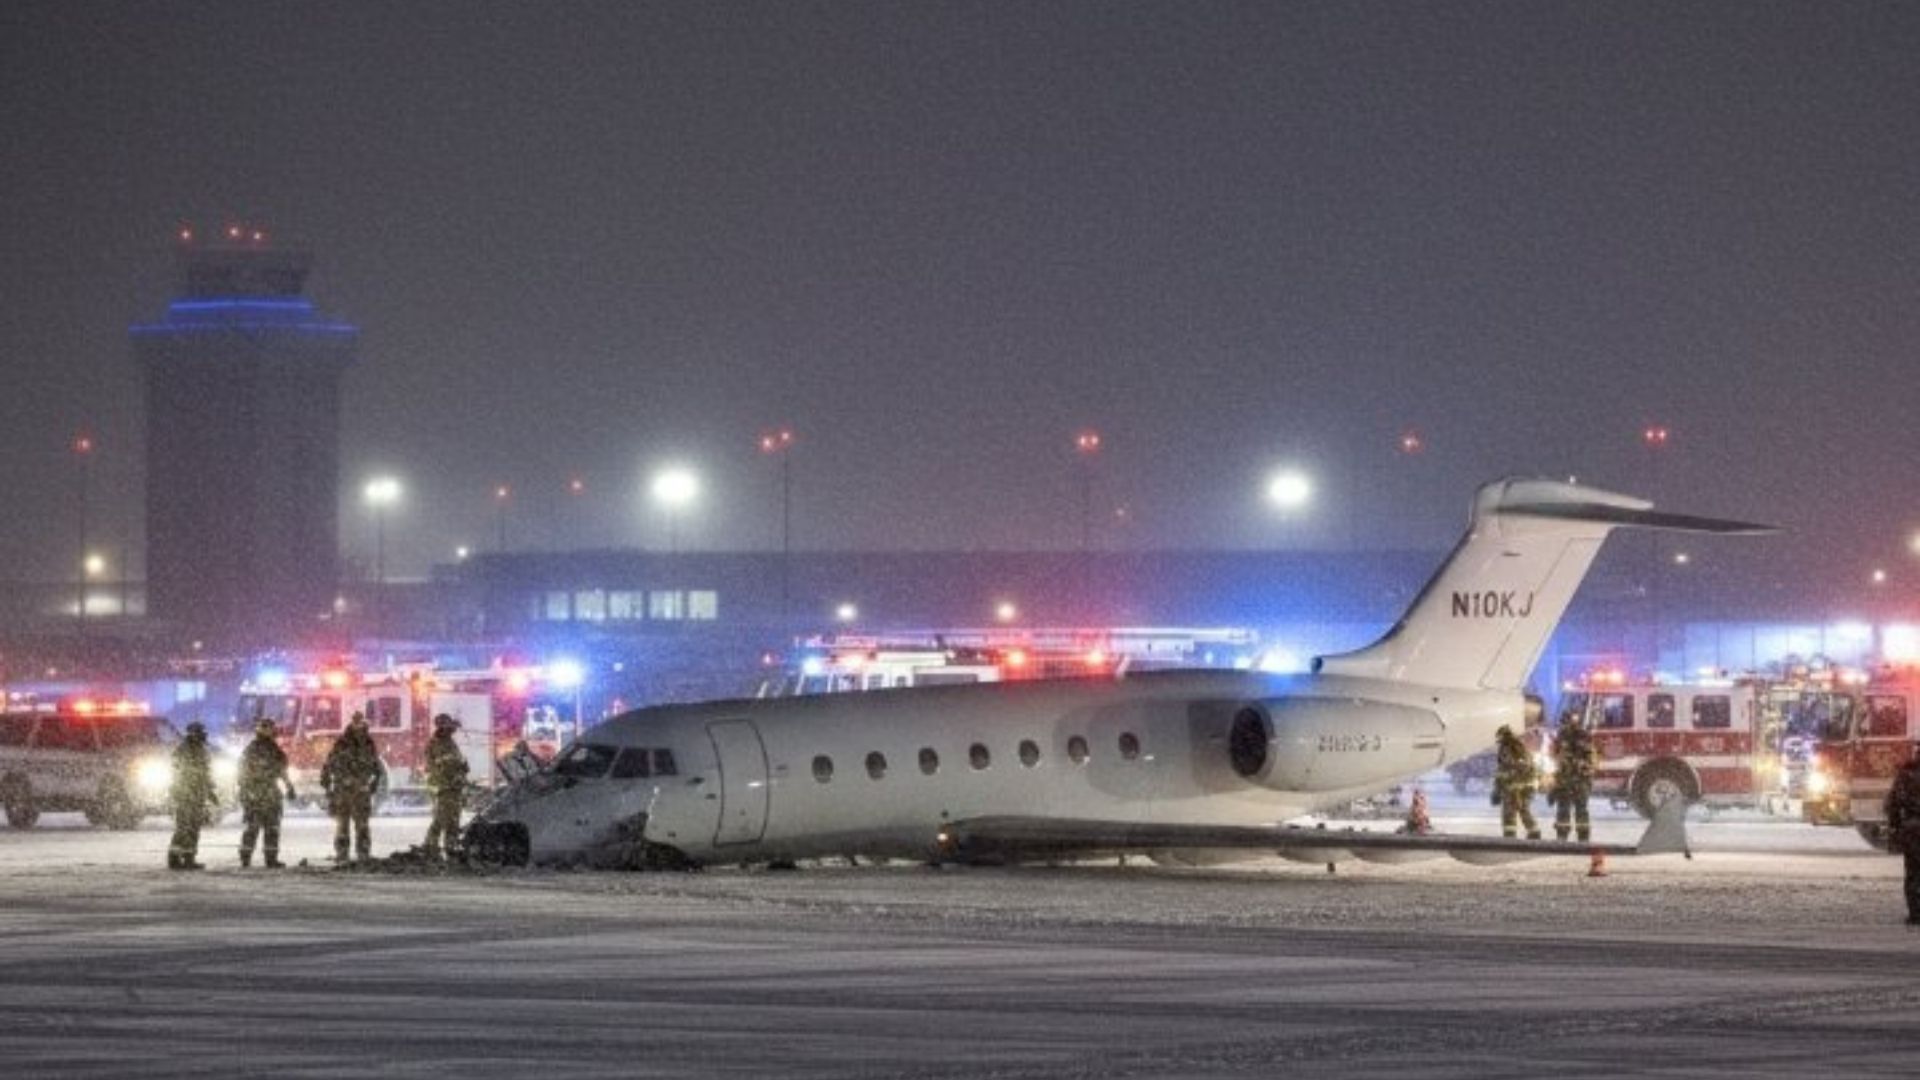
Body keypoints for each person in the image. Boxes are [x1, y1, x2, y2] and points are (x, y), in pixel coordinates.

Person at [320, 713, 386, 865]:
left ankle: (363, 854)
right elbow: (329, 764)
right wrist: (327, 784)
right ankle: (342, 855)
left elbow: (376, 765)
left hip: (361, 790)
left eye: (360, 723)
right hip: (343, 790)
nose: (358, 726)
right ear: (352, 724)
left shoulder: (368, 743)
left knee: (362, 824)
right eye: (356, 723)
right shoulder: (342, 742)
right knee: (343, 824)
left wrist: (375, 783)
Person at [238, 718, 296, 868]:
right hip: (257, 792)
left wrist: (289, 786)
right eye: (265, 728)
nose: (268, 731)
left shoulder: (274, 749)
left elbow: (282, 770)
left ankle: (270, 859)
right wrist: (245, 789)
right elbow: (242, 773)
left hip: (269, 792)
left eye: (269, 728)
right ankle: (246, 858)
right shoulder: (253, 749)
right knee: (253, 828)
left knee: (271, 828)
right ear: (259, 730)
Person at [167, 721, 221, 870]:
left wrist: (210, 791)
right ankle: (175, 859)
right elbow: (181, 772)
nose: (204, 735)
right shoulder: (184, 750)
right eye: (201, 732)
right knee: (184, 827)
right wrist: (191, 786)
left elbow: (205, 773)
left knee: (193, 827)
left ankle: (188, 858)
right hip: (186, 794)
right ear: (193, 733)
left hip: (197, 793)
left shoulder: (201, 750)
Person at [422, 713, 471, 859]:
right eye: (448, 726)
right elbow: (434, 767)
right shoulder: (434, 744)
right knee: (441, 818)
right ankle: (430, 847)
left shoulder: (450, 742)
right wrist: (450, 776)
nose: (451, 729)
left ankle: (451, 847)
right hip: (443, 787)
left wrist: (463, 768)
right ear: (441, 727)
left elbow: (456, 761)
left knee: (453, 820)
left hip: (454, 787)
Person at [1883, 742, 1920, 925]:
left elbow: (1892, 804)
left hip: (1913, 829)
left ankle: (1916, 913)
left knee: (1913, 873)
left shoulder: (1905, 775)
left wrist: (1895, 826)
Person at [1549, 714, 1599, 842]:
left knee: (1569, 808)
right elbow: (1556, 758)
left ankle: (1568, 836)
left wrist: (1578, 766)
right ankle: (1577, 836)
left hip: (1573, 780)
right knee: (1574, 808)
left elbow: (1591, 760)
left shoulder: (1571, 737)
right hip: (1574, 780)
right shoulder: (1576, 736)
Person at [1493, 724, 1541, 840]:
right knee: (1523, 809)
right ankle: (1534, 832)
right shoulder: (1519, 746)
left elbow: (1506, 769)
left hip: (1515, 785)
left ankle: (1510, 836)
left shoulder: (1507, 748)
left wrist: (1498, 787)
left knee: (1509, 810)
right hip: (1526, 784)